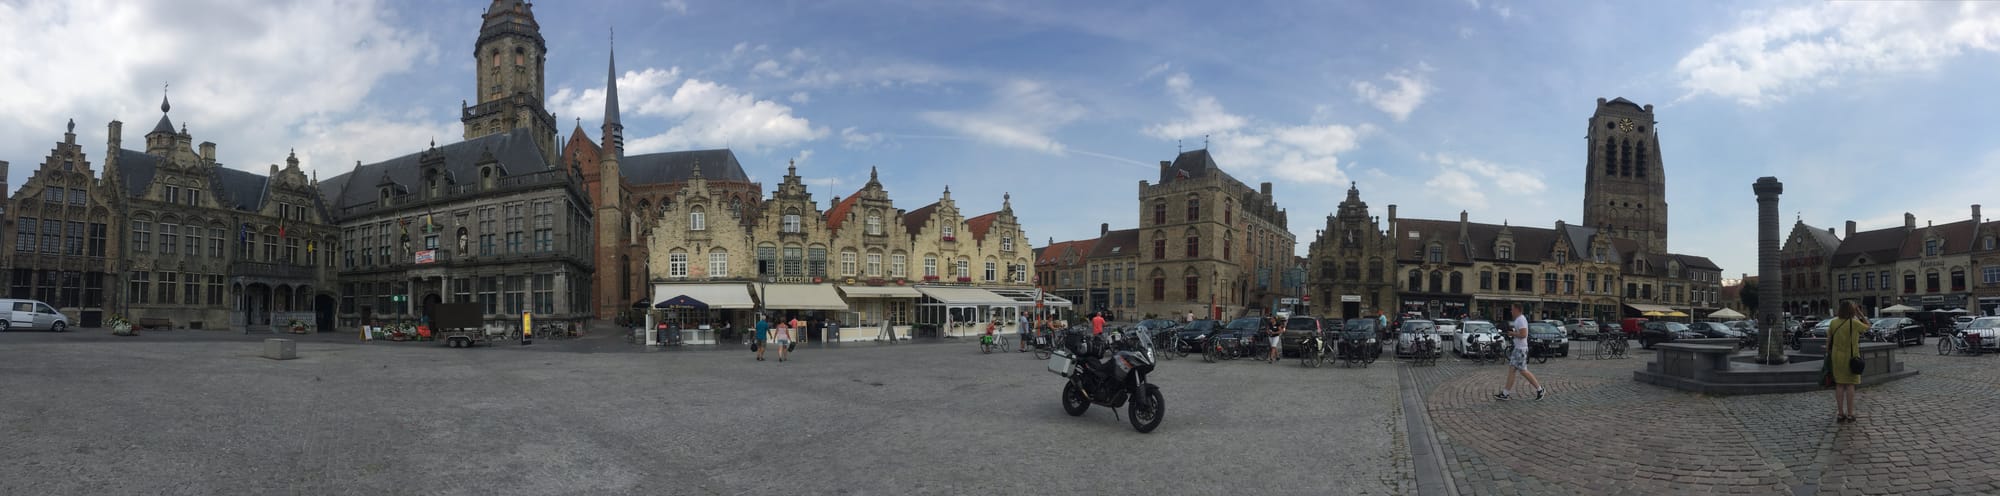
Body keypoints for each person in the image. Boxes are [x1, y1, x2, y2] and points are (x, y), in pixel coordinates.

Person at [1495, 304, 1545, 400]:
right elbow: (1521, 333)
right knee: (1514, 370)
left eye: (1512, 309)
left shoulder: (1521, 320)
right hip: (1518, 348)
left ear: (1517, 310)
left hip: (1520, 349)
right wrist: (1513, 332)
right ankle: (1505, 393)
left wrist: (1512, 333)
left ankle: (1540, 389)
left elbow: (1524, 334)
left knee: (1522, 371)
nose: (1511, 311)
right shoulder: (1519, 320)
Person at [1829, 301, 1867, 423]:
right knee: (1850, 385)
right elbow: (1868, 326)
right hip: (1851, 358)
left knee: (1839, 384)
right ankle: (1850, 414)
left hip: (1836, 356)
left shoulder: (1833, 322)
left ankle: (1840, 414)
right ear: (1852, 311)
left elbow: (1828, 339)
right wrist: (1860, 313)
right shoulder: (1854, 322)